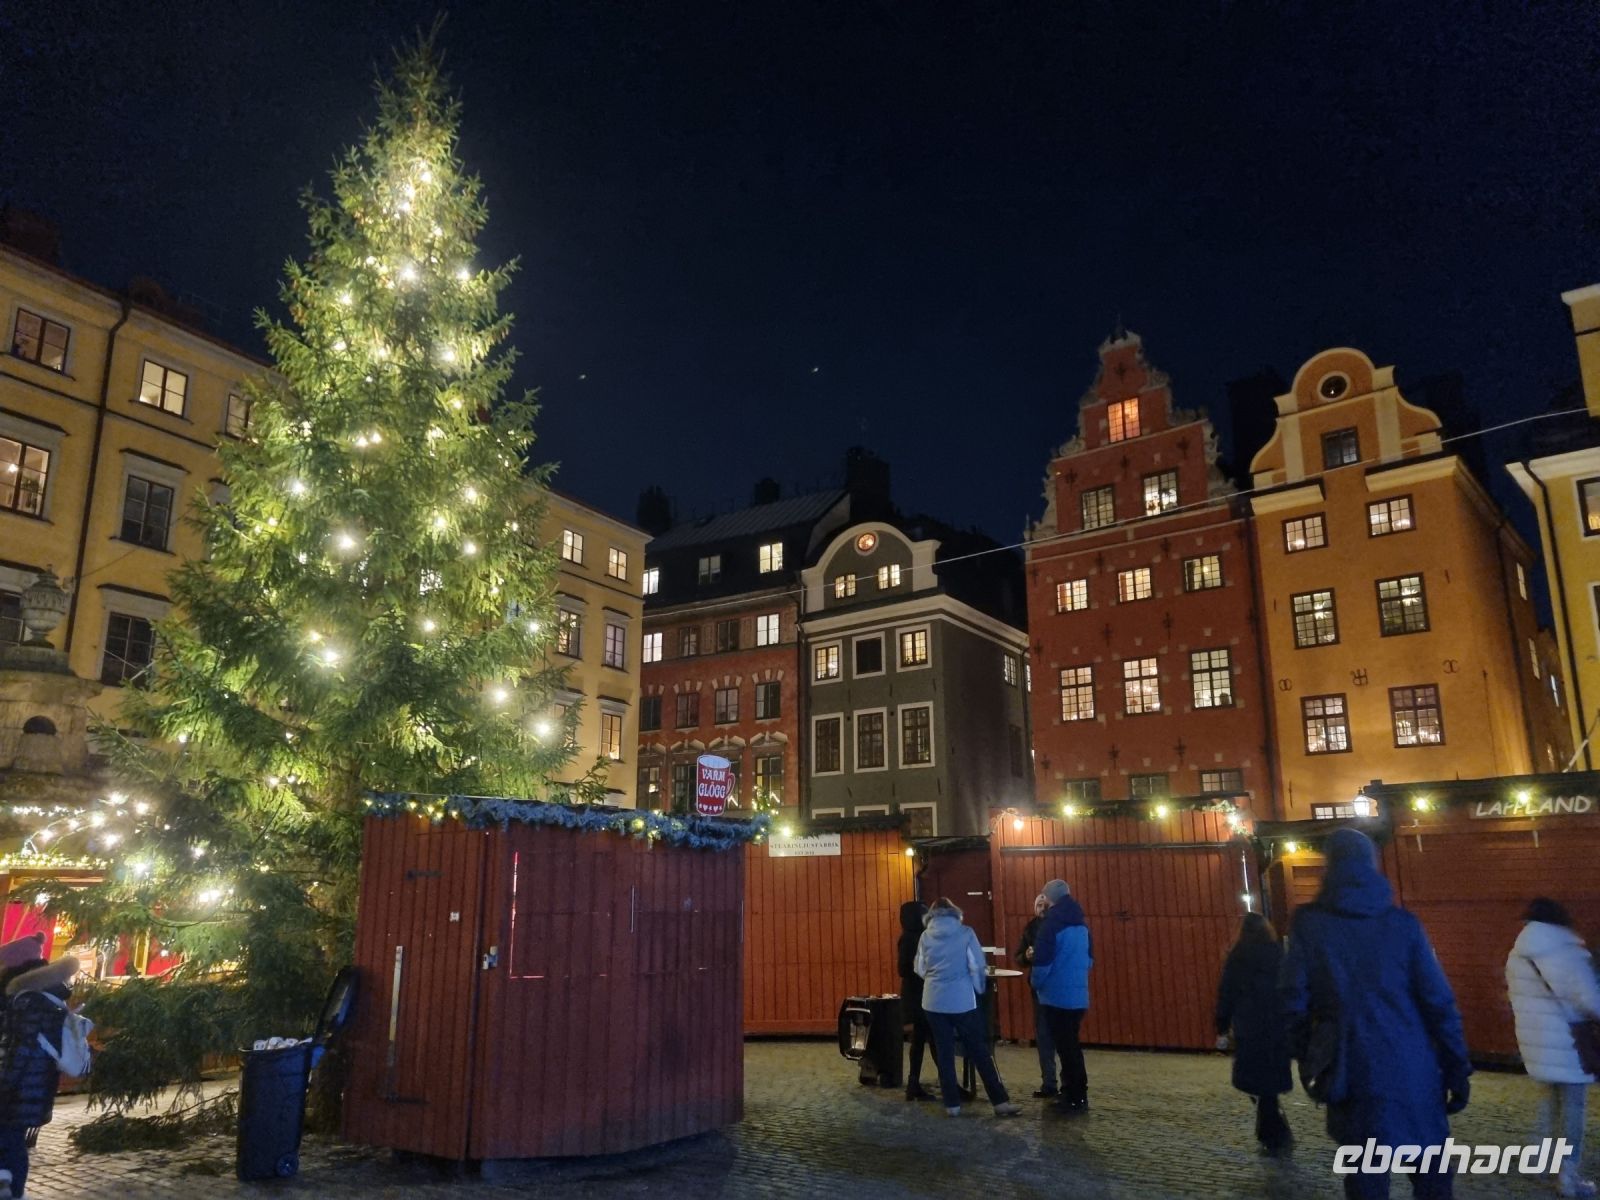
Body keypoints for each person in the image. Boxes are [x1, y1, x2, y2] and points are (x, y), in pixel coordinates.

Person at [1280, 827, 1470, 1200]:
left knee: (1366, 1176)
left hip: (1352, 1067)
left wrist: (1313, 1056)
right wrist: (1456, 1067)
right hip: (1414, 1064)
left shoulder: (1309, 923)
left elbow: (1292, 1001)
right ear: (1372, 865)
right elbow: (1439, 1003)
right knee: (1431, 1174)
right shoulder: (1403, 924)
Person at [1505, 897, 1600, 1199]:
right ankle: (1568, 1178)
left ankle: (1540, 1162)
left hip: (1536, 1044)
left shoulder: (1518, 953)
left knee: (1549, 1102)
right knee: (1573, 1107)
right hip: (1569, 1044)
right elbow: (1587, 998)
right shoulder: (1565, 950)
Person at [914, 897, 1020, 1119]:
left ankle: (952, 1105)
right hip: (962, 1001)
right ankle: (1000, 1102)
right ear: (955, 913)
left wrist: (935, 980)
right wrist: (978, 987)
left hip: (933, 1002)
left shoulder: (925, 936)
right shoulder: (966, 933)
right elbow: (977, 965)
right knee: (979, 1051)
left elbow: (920, 967)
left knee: (944, 1054)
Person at [0, 951, 82, 1199]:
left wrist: (4, 1085)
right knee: (13, 1140)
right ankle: (11, 1186)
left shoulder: (27, 1003)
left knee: (10, 1139)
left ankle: (10, 1188)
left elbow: (21, 1051)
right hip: (37, 1089)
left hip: (18, 1090)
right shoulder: (50, 1003)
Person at [1214, 911, 1293, 1151]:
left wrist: (1222, 1027)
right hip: (1276, 1025)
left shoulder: (1238, 956)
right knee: (1269, 1081)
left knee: (1256, 1081)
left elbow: (1226, 993)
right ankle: (1274, 1129)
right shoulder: (1277, 953)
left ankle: (1273, 1132)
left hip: (1249, 1026)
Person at [1029, 877, 1092, 1113]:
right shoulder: (1081, 923)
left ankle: (1071, 1096)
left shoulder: (1051, 924)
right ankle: (1079, 1092)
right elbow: (1089, 958)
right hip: (1078, 995)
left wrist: (1037, 983)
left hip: (1055, 996)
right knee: (1072, 1046)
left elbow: (1042, 962)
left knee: (1064, 1047)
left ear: (1050, 898)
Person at [1016, 892, 1059, 1098]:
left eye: (1044, 904)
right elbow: (1019, 956)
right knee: (1043, 1037)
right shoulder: (1030, 928)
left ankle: (1067, 1085)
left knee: (1062, 1038)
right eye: (1038, 904)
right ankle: (1049, 1084)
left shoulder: (1060, 927)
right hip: (1039, 990)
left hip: (1059, 988)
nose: (1041, 907)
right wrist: (1026, 956)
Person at [897, 900, 936, 1102]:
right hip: (922, 995)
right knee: (930, 1039)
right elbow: (903, 969)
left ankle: (914, 1084)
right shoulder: (918, 937)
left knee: (921, 1040)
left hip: (915, 996)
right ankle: (945, 1084)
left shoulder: (907, 937)